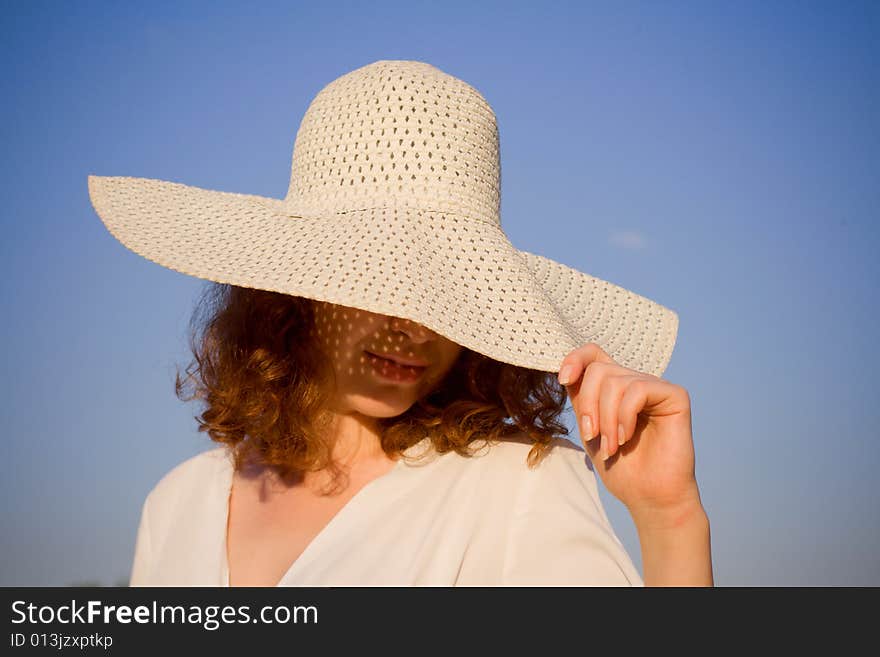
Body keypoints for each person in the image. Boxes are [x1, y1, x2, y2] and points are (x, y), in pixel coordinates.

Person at [87, 59, 712, 586]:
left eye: (444, 290)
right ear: (296, 290)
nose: (414, 327)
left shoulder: (516, 487)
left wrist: (670, 519)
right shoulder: (179, 505)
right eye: (377, 281)